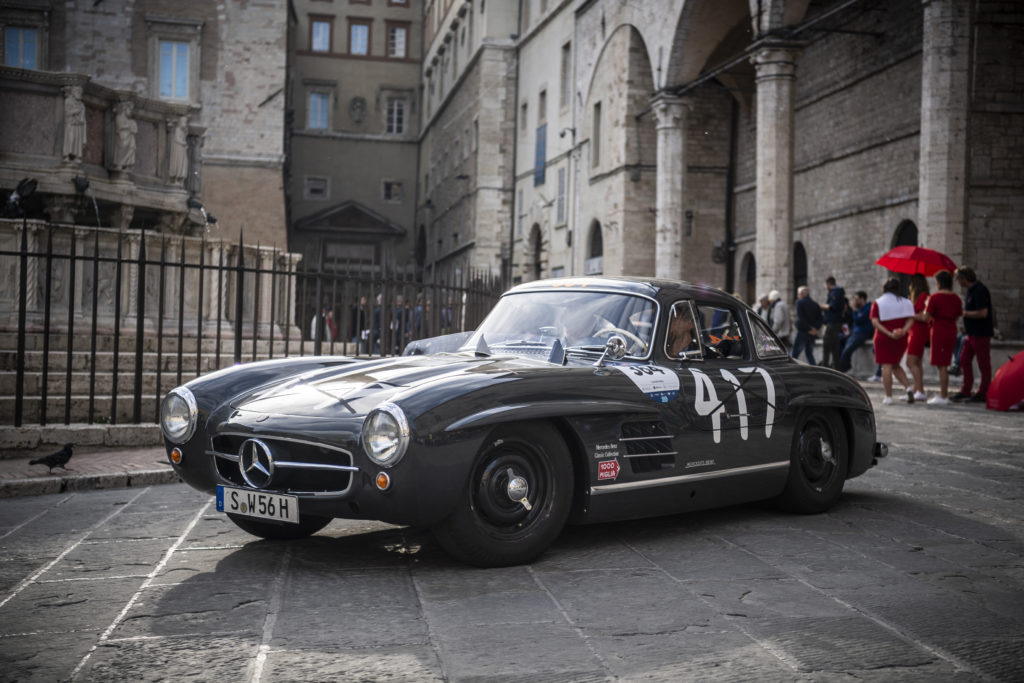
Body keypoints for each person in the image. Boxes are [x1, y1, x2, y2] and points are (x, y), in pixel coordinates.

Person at [950, 266, 994, 403]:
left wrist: (964, 313)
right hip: (971, 333)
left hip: (981, 333)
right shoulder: (971, 291)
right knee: (964, 360)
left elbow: (983, 313)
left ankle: (983, 392)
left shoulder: (980, 290)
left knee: (983, 364)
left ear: (964, 278)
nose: (958, 282)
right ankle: (966, 390)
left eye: (959, 279)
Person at [871, 277, 915, 405]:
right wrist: (903, 331)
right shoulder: (906, 302)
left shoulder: (878, 302)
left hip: (884, 337)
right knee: (895, 365)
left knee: (886, 367)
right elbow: (911, 320)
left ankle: (888, 396)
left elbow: (875, 321)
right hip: (901, 338)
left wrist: (889, 333)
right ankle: (908, 388)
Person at [923, 270, 963, 405]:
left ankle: (943, 395)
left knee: (942, 365)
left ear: (939, 282)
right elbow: (958, 315)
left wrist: (926, 305)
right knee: (944, 363)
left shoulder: (935, 297)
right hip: (951, 329)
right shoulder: (956, 298)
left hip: (939, 330)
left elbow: (926, 316)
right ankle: (943, 394)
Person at [904, 273, 930, 401]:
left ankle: (919, 389)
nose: (909, 286)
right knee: (917, 362)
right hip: (915, 331)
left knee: (910, 361)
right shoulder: (918, 297)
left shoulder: (923, 296)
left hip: (919, 331)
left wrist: (909, 312)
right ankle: (917, 389)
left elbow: (923, 317)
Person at [839, 290, 872, 373]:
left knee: (847, 349)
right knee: (840, 341)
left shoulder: (868, 308)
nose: (855, 301)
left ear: (862, 299)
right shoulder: (859, 309)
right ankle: (843, 365)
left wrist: (854, 310)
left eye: (856, 299)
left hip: (863, 333)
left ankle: (843, 369)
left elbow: (858, 320)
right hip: (855, 333)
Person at [791, 286, 823, 365]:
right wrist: (815, 329)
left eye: (798, 294)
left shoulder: (799, 302)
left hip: (803, 332)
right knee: (809, 354)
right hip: (812, 334)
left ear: (801, 294)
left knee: (794, 355)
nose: (798, 296)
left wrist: (809, 329)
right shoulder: (815, 304)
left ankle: (790, 373)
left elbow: (800, 319)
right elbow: (821, 319)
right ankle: (815, 371)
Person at [820, 276, 846, 369]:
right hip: (834, 322)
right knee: (834, 347)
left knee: (826, 346)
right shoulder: (836, 292)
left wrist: (821, 306)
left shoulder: (835, 293)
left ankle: (825, 367)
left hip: (833, 323)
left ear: (828, 283)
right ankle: (836, 367)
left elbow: (833, 307)